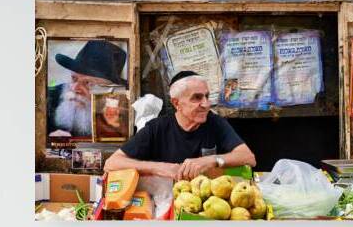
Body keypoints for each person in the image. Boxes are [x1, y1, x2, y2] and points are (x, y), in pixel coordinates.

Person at [104, 71, 256, 180]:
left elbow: (248, 158)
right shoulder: (157, 128)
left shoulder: (215, 123)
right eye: (197, 98)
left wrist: (212, 160)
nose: (206, 104)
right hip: (166, 199)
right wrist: (160, 168)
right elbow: (112, 163)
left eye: (207, 96)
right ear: (176, 103)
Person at [47, 40, 128, 140]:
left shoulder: (122, 112)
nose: (74, 88)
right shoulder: (48, 98)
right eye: (74, 78)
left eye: (88, 83)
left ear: (109, 91)